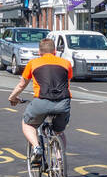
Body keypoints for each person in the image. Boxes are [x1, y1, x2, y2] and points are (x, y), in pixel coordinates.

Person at [8, 38, 73, 166]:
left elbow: (21, 85)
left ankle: (37, 147)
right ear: (55, 52)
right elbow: (67, 79)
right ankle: (60, 158)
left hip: (41, 101)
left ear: (39, 52)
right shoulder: (66, 63)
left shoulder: (33, 63)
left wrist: (12, 98)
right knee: (59, 132)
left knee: (27, 124)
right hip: (63, 103)